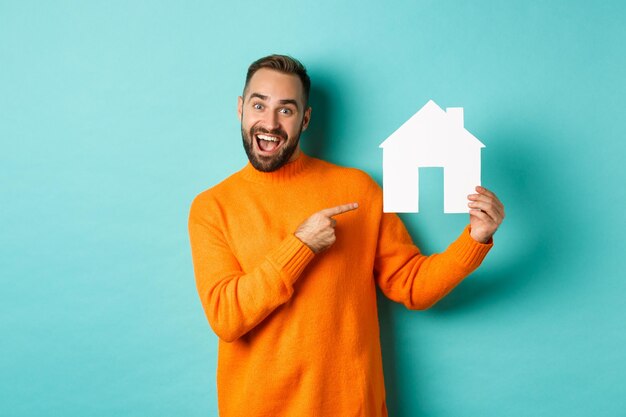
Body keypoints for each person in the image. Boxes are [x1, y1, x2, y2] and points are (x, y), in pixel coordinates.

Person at [188, 54, 505, 417]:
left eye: (286, 110)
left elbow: (412, 286)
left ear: (305, 119)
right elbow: (227, 318)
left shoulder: (357, 189)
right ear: (241, 109)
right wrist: (301, 245)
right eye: (259, 105)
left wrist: (475, 240)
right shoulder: (212, 207)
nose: (270, 123)